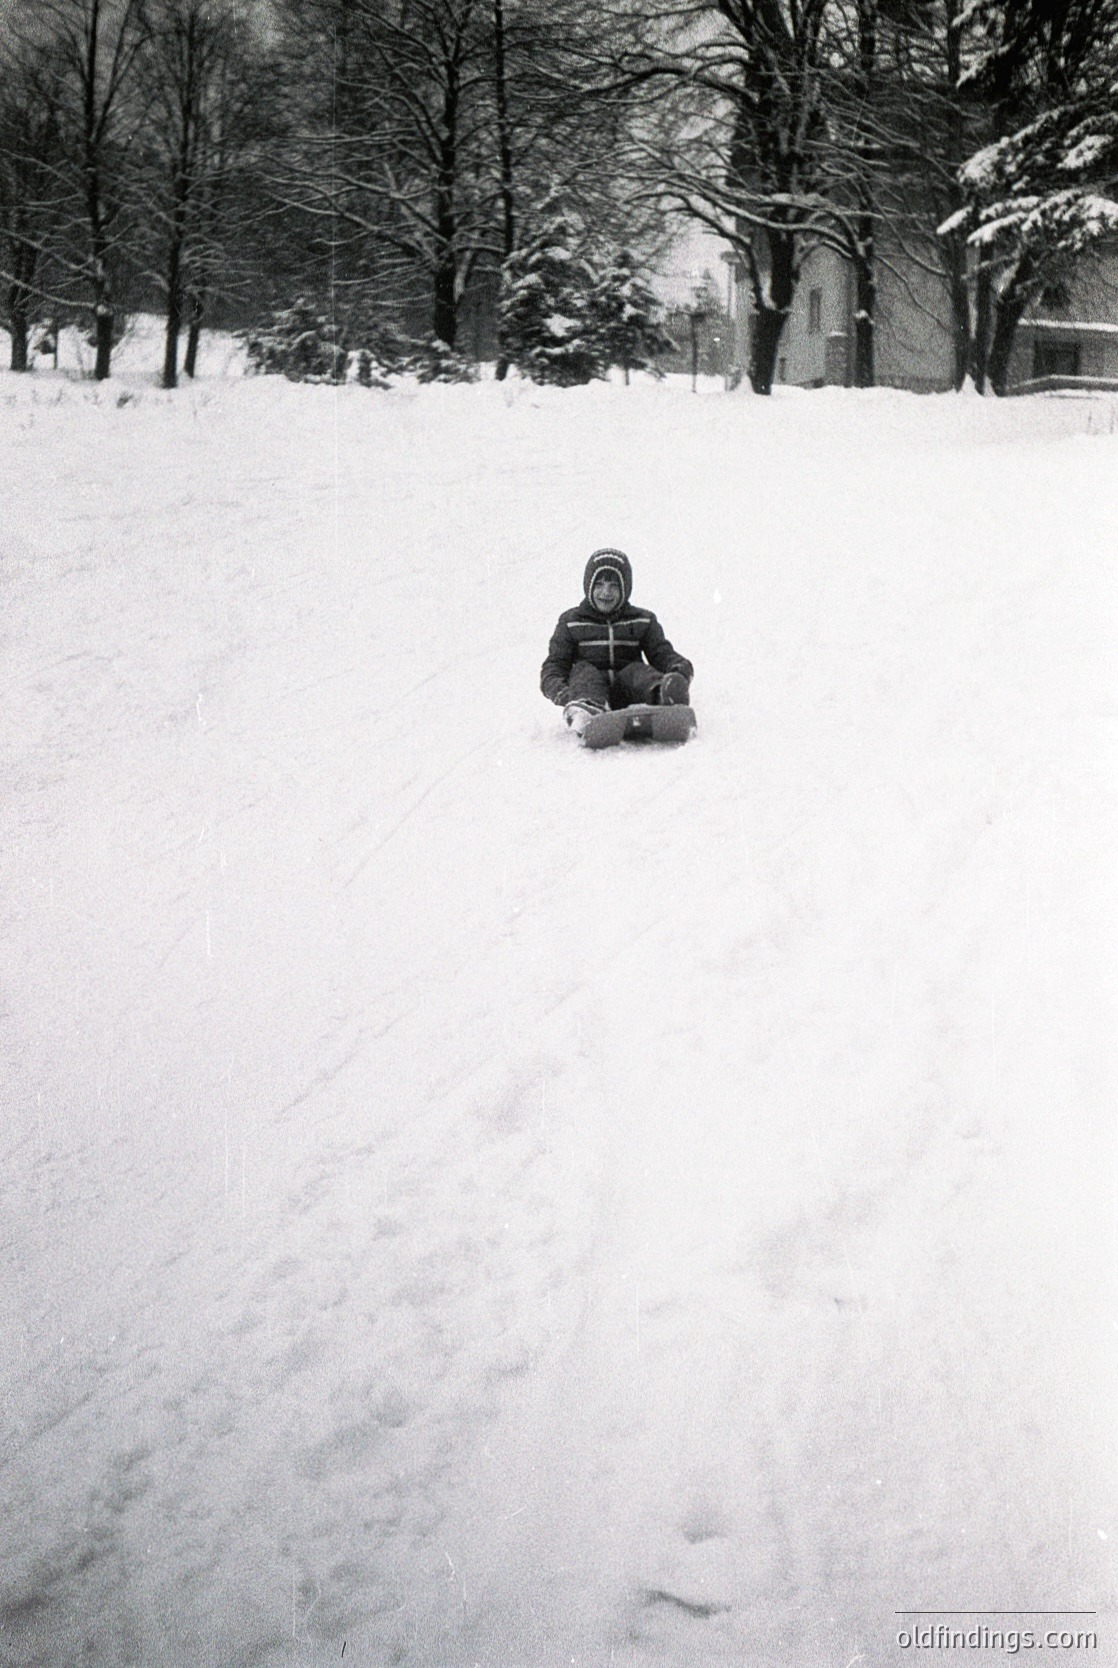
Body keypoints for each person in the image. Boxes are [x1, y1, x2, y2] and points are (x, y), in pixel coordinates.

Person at [540, 548, 694, 733]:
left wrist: (679, 670)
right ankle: (586, 711)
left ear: (625, 588)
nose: (606, 592)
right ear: (588, 586)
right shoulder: (571, 622)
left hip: (629, 691)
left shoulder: (642, 620)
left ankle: (663, 695)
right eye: (599, 584)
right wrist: (564, 694)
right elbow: (554, 667)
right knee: (583, 670)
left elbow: (661, 654)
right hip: (588, 692)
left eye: (614, 585)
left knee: (635, 670)